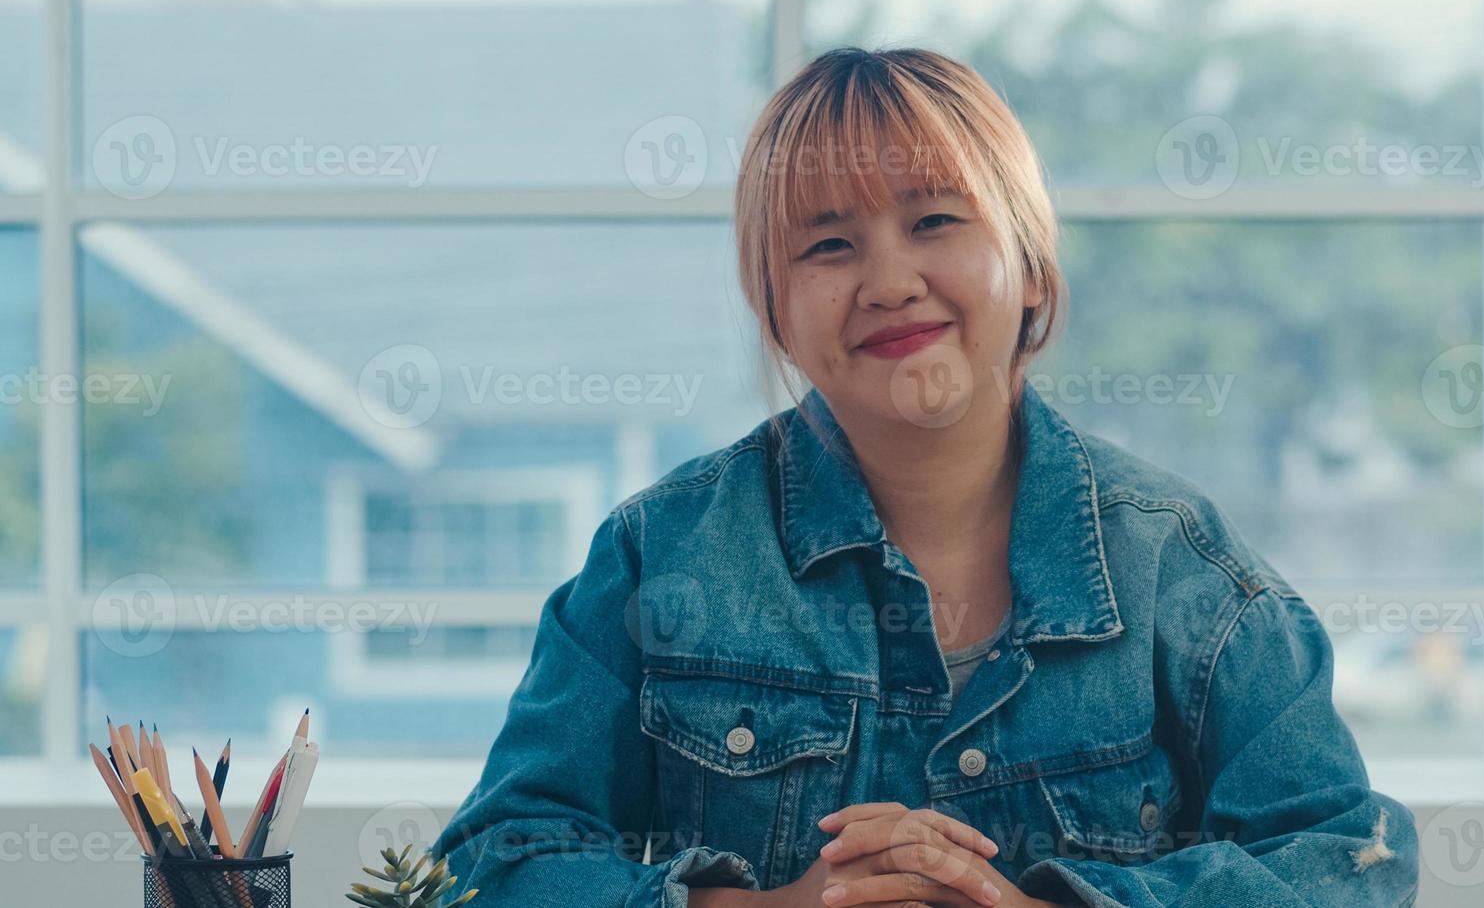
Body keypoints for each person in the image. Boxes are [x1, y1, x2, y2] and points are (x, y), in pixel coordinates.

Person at [431, 46, 1419, 907]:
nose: (889, 280)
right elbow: (487, 864)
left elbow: (1350, 858)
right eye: (827, 243)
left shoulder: (1175, 567)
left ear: (1029, 263)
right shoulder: (658, 555)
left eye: (935, 219)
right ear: (773, 310)